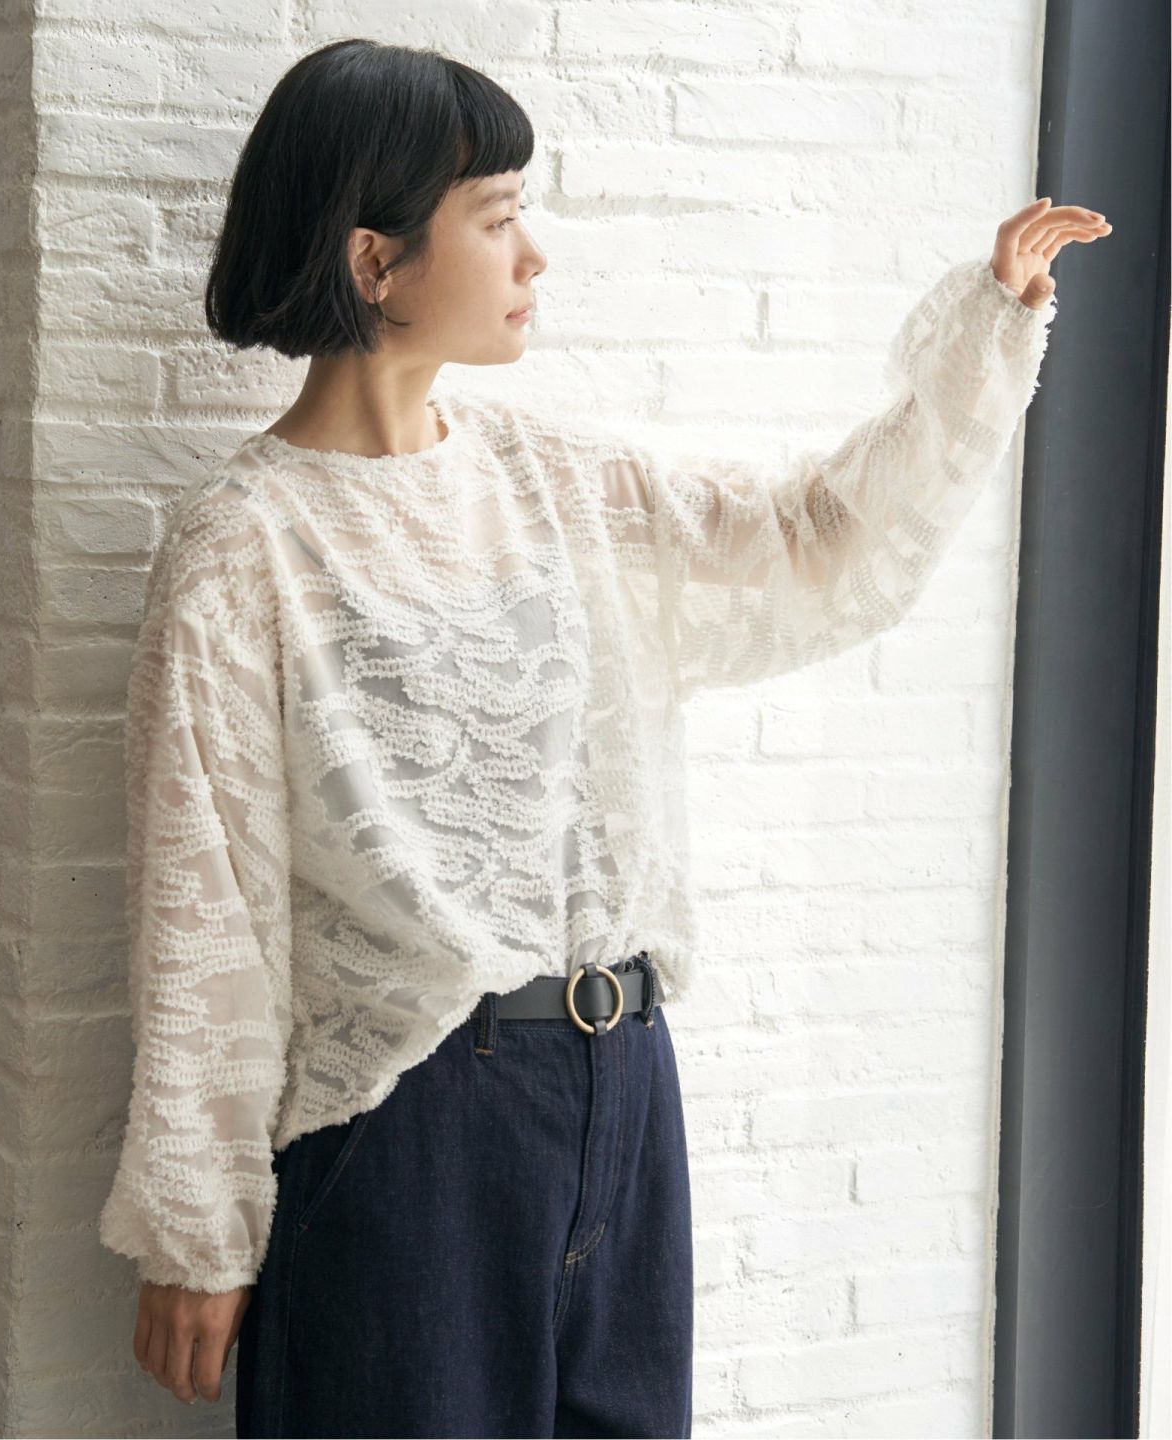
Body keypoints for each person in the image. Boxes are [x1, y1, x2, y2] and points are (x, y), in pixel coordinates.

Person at [96, 34, 1111, 1440]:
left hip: (627, 1081)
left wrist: (987, 334)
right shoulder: (244, 547)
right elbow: (204, 904)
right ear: (374, 260)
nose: (534, 255)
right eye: (497, 218)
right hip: (410, 1127)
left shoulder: (558, 482)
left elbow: (815, 545)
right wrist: (198, 1229)